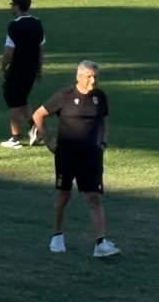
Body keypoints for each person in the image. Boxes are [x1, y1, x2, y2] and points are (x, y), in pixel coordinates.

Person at [31, 60, 120, 257]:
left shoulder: (100, 97)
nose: (93, 80)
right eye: (89, 76)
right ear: (78, 77)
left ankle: (101, 242)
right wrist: (48, 141)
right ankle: (57, 236)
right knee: (64, 195)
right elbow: (38, 115)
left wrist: (102, 143)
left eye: (95, 76)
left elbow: (103, 120)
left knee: (94, 197)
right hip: (66, 156)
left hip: (91, 157)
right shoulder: (64, 96)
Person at [0, 0, 45, 148]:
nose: (11, 6)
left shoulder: (14, 26)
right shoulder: (37, 23)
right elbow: (40, 50)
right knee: (22, 101)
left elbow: (8, 52)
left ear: (17, 6)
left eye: (12, 4)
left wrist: (2, 69)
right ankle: (35, 129)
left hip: (17, 70)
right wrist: (39, 69)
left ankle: (15, 138)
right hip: (31, 70)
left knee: (13, 103)